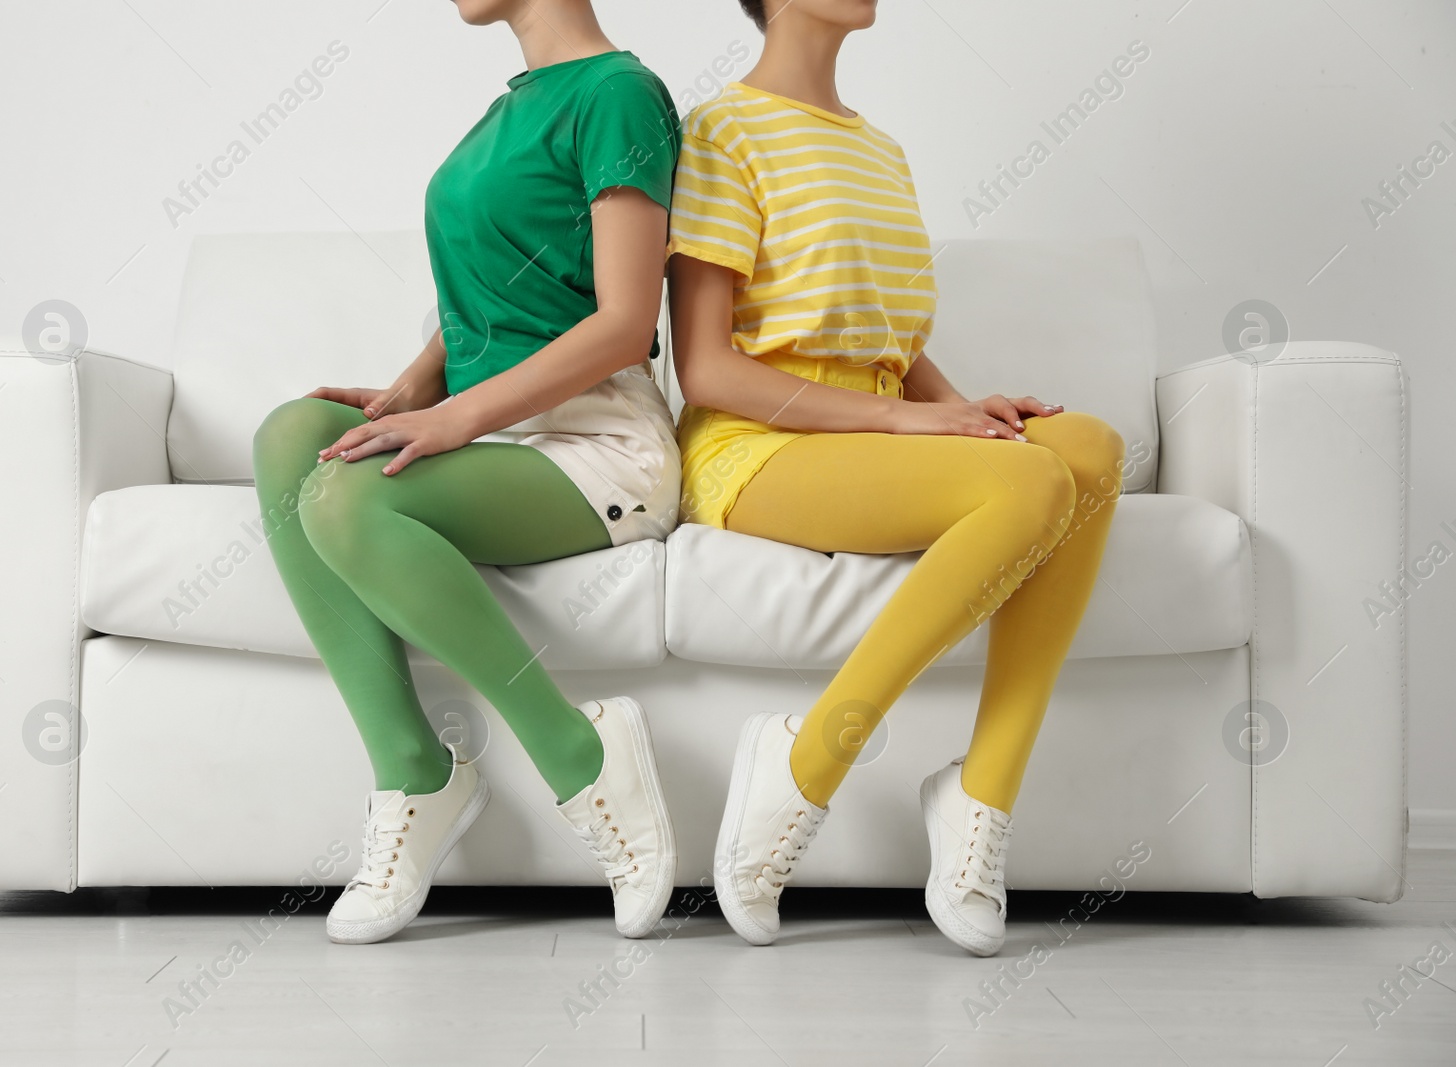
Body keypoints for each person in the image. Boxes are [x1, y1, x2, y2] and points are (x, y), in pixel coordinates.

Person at [668, 0, 1126, 955]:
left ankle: (980, 796)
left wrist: (968, 411)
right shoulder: (723, 130)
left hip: (878, 430)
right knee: (1028, 487)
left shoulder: (882, 151)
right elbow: (706, 368)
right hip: (758, 446)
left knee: (1083, 447)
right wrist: (912, 421)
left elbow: (896, 349)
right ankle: (806, 766)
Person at [252, 0, 682, 945]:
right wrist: (412, 391)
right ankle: (417, 774)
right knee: (294, 438)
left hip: (599, 446)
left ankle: (579, 753)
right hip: (501, 434)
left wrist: (454, 419)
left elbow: (621, 320)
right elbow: (487, 311)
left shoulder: (618, 95)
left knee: (343, 498)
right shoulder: (505, 110)